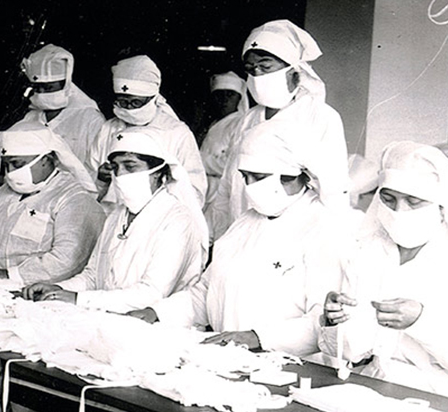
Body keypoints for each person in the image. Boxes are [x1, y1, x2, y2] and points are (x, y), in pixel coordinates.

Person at [132, 121, 356, 357]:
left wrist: (256, 337)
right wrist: (157, 313)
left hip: (288, 367)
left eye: (258, 177)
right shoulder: (245, 223)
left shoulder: (324, 227)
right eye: (245, 177)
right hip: (229, 359)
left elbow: (323, 320)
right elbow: (204, 294)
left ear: (291, 176)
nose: (249, 187)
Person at [320, 142, 448, 399]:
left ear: (441, 205)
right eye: (388, 200)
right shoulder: (368, 250)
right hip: (373, 386)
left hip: (440, 398)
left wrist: (421, 320)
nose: (399, 211)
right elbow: (349, 351)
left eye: (413, 201)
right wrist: (334, 320)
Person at [21, 128, 207, 314]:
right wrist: (59, 289)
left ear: (157, 171)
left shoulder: (178, 220)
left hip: (148, 326)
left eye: (130, 166)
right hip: (104, 315)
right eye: (116, 168)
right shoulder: (117, 215)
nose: (121, 175)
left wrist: (78, 299)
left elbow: (151, 293)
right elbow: (92, 276)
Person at [208, 20, 349, 240]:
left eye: (265, 66)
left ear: (293, 71)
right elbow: (228, 184)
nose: (257, 74)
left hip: (292, 236)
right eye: (250, 69)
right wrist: (220, 235)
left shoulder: (321, 117)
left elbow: (333, 189)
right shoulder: (248, 119)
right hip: (242, 229)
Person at [0, 122, 104, 285]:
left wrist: (8, 275)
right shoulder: (5, 191)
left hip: (41, 291)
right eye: (6, 165)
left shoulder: (74, 199)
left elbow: (67, 260)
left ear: (47, 160)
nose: (11, 172)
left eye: (18, 164)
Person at [88, 55, 207, 206]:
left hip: (158, 219)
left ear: (152, 98)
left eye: (136, 102)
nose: (129, 108)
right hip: (110, 215)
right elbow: (86, 181)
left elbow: (195, 190)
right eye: (123, 102)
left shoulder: (176, 133)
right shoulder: (108, 129)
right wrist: (101, 179)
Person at [15, 44, 105, 165]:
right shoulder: (31, 117)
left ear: (65, 85)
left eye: (48, 88)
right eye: (37, 88)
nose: (41, 93)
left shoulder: (89, 119)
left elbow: (97, 164)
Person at [199, 71, 247, 216]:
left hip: (222, 194)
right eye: (219, 94)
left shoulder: (240, 124)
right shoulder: (213, 124)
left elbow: (232, 164)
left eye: (230, 94)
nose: (224, 99)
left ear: (239, 98)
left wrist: (199, 160)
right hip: (206, 192)